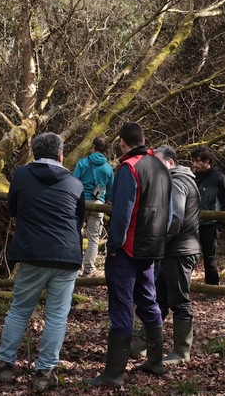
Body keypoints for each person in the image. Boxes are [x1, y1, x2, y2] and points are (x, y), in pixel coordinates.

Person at [0, 132, 84, 393]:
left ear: (34, 152)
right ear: (61, 154)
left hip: (33, 251)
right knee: (57, 315)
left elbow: (13, 208)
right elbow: (78, 220)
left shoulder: (22, 175)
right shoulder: (75, 183)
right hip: (66, 253)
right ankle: (44, 372)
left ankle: (4, 365)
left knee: (20, 309)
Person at [85, 122, 171, 388]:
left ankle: (113, 374)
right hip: (152, 248)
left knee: (121, 307)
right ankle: (155, 361)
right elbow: (168, 212)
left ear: (122, 142)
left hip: (128, 250)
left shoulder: (129, 168)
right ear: (144, 138)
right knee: (148, 300)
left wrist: (114, 246)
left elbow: (122, 213)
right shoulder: (161, 167)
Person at [152, 145, 201, 365]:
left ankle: (182, 351)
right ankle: (146, 342)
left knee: (179, 300)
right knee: (159, 297)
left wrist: (160, 240)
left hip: (178, 250)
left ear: (170, 162)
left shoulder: (177, 181)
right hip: (174, 249)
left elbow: (175, 218)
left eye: (158, 162)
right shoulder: (179, 179)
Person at [190, 146, 225, 285]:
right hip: (193, 224)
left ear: (207, 161)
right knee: (189, 256)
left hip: (211, 225)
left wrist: (221, 225)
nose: (195, 164)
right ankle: (184, 287)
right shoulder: (193, 177)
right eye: (194, 161)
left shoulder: (219, 178)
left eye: (197, 161)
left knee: (210, 258)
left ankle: (212, 288)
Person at [73, 136, 113, 277]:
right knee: (94, 238)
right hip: (98, 204)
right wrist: (102, 199)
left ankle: (77, 266)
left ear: (93, 146)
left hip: (81, 202)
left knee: (76, 233)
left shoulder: (82, 163)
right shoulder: (108, 168)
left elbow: (74, 181)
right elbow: (111, 190)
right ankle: (89, 269)